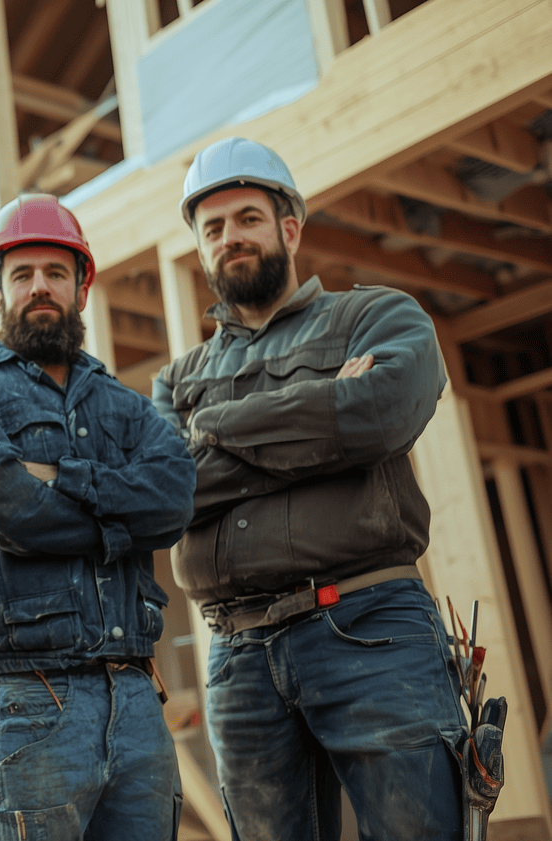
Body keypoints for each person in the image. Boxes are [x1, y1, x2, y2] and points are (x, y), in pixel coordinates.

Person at [151, 137, 466, 840]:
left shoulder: (376, 317)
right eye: (214, 228)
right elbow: (163, 492)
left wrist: (218, 428)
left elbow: (382, 413)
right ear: (201, 250)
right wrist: (326, 419)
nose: (231, 237)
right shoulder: (176, 381)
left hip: (370, 625)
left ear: (288, 227)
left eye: (248, 218)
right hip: (238, 652)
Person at [0, 194, 195, 840]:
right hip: (25, 693)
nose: (39, 287)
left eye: (54, 272)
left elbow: (177, 497)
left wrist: (61, 477)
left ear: (82, 285)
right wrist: (123, 522)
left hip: (134, 692)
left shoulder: (124, 406)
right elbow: (5, 510)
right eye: (21, 274)